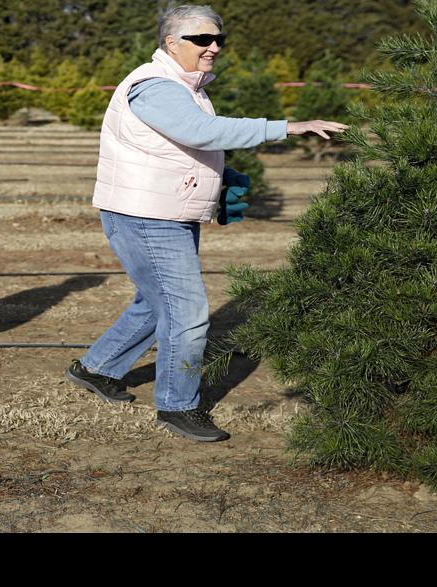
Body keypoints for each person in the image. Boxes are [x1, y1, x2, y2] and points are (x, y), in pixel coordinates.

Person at [68, 4, 347, 442]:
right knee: (188, 311)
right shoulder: (155, 86)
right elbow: (202, 133)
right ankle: (178, 406)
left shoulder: (186, 85)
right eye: (202, 39)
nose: (214, 47)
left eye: (219, 40)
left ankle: (97, 368)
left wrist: (216, 181)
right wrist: (287, 127)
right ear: (171, 43)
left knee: (155, 302)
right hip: (146, 216)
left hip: (164, 210)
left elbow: (185, 145)